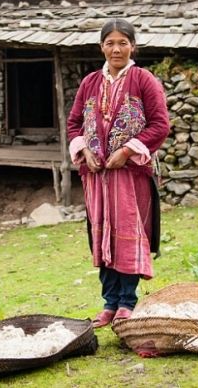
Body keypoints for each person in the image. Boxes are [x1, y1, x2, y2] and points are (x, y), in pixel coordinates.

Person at [67, 18, 170, 328]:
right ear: (102, 47)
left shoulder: (144, 80)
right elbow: (74, 124)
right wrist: (85, 150)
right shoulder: (90, 84)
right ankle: (109, 303)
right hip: (97, 177)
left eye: (122, 43)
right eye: (110, 43)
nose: (116, 49)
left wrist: (126, 151)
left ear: (132, 46)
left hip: (130, 176)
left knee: (127, 235)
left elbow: (159, 125)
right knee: (102, 235)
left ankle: (127, 301)